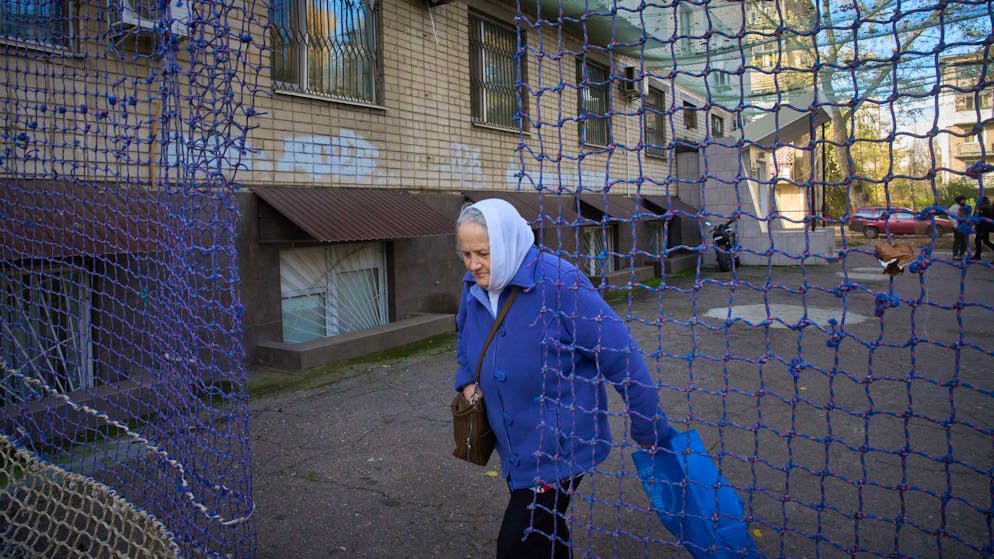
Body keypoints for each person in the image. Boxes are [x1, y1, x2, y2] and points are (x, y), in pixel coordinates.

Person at [453, 199, 671, 559]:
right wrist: (467, 380)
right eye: (466, 253)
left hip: (557, 446)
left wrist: (649, 429)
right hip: (512, 444)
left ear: (507, 244)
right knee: (545, 532)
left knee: (518, 545)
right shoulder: (472, 283)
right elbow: (464, 335)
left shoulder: (560, 283)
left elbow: (622, 355)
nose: (473, 264)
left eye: (483, 253)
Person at [973, 197, 994, 261]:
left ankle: (977, 255)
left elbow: (983, 220)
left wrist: (981, 230)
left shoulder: (984, 209)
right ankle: (977, 255)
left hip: (983, 228)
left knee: (978, 240)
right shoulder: (987, 208)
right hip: (984, 227)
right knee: (985, 241)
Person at [949, 194, 968, 261]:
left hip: (964, 226)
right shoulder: (954, 207)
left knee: (964, 240)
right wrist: (955, 224)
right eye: (962, 200)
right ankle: (955, 254)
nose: (964, 201)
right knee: (957, 240)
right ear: (959, 200)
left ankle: (962, 253)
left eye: (964, 200)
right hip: (957, 226)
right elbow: (950, 216)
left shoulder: (965, 207)